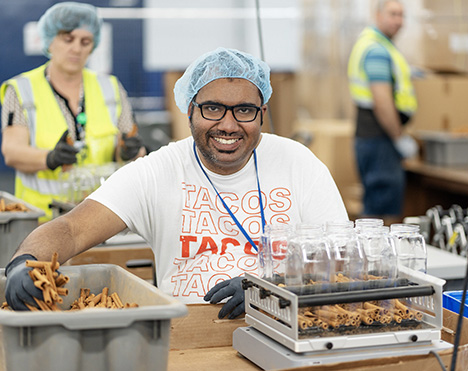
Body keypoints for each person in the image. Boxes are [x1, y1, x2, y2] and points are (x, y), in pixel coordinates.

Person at [4, 47, 348, 319]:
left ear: (262, 112)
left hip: (287, 326)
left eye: (244, 110)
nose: (228, 125)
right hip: (184, 337)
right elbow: (73, 229)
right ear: (189, 111)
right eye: (213, 108)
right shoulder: (158, 171)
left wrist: (276, 286)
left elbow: (342, 256)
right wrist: (25, 261)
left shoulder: (299, 164)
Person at [0, 2, 146, 222]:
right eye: (68, 39)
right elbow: (11, 151)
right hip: (42, 220)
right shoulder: (22, 90)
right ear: (49, 40)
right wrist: (49, 158)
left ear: (93, 45)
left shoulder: (111, 88)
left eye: (85, 41)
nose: (76, 48)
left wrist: (130, 152)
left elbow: (131, 146)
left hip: (101, 216)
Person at [347, 0, 418, 220]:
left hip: (375, 139)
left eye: (402, 15)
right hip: (380, 139)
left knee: (376, 208)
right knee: (381, 216)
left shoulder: (376, 44)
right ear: (378, 15)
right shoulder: (376, 50)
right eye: (393, 14)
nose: (399, 21)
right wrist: (398, 138)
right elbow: (382, 100)